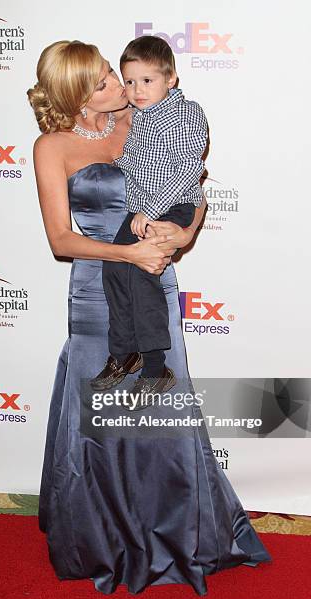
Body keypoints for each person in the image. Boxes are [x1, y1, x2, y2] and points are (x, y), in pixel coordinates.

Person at [27, 39, 272, 597]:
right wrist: (129, 253)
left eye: (115, 73)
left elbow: (193, 181)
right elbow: (62, 240)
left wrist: (183, 232)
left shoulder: (143, 116)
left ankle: (181, 535)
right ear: (77, 95)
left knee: (162, 409)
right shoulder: (53, 147)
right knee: (106, 417)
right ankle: (106, 539)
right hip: (96, 293)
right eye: (104, 81)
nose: (118, 84)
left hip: (155, 278)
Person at [91, 36, 208, 403]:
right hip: (141, 209)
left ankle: (157, 370)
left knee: (142, 278)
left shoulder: (185, 114)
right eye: (129, 81)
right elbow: (144, 160)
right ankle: (125, 353)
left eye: (147, 80)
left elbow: (188, 170)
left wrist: (152, 209)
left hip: (171, 207)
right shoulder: (141, 116)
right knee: (113, 269)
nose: (136, 90)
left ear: (170, 78)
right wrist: (120, 165)